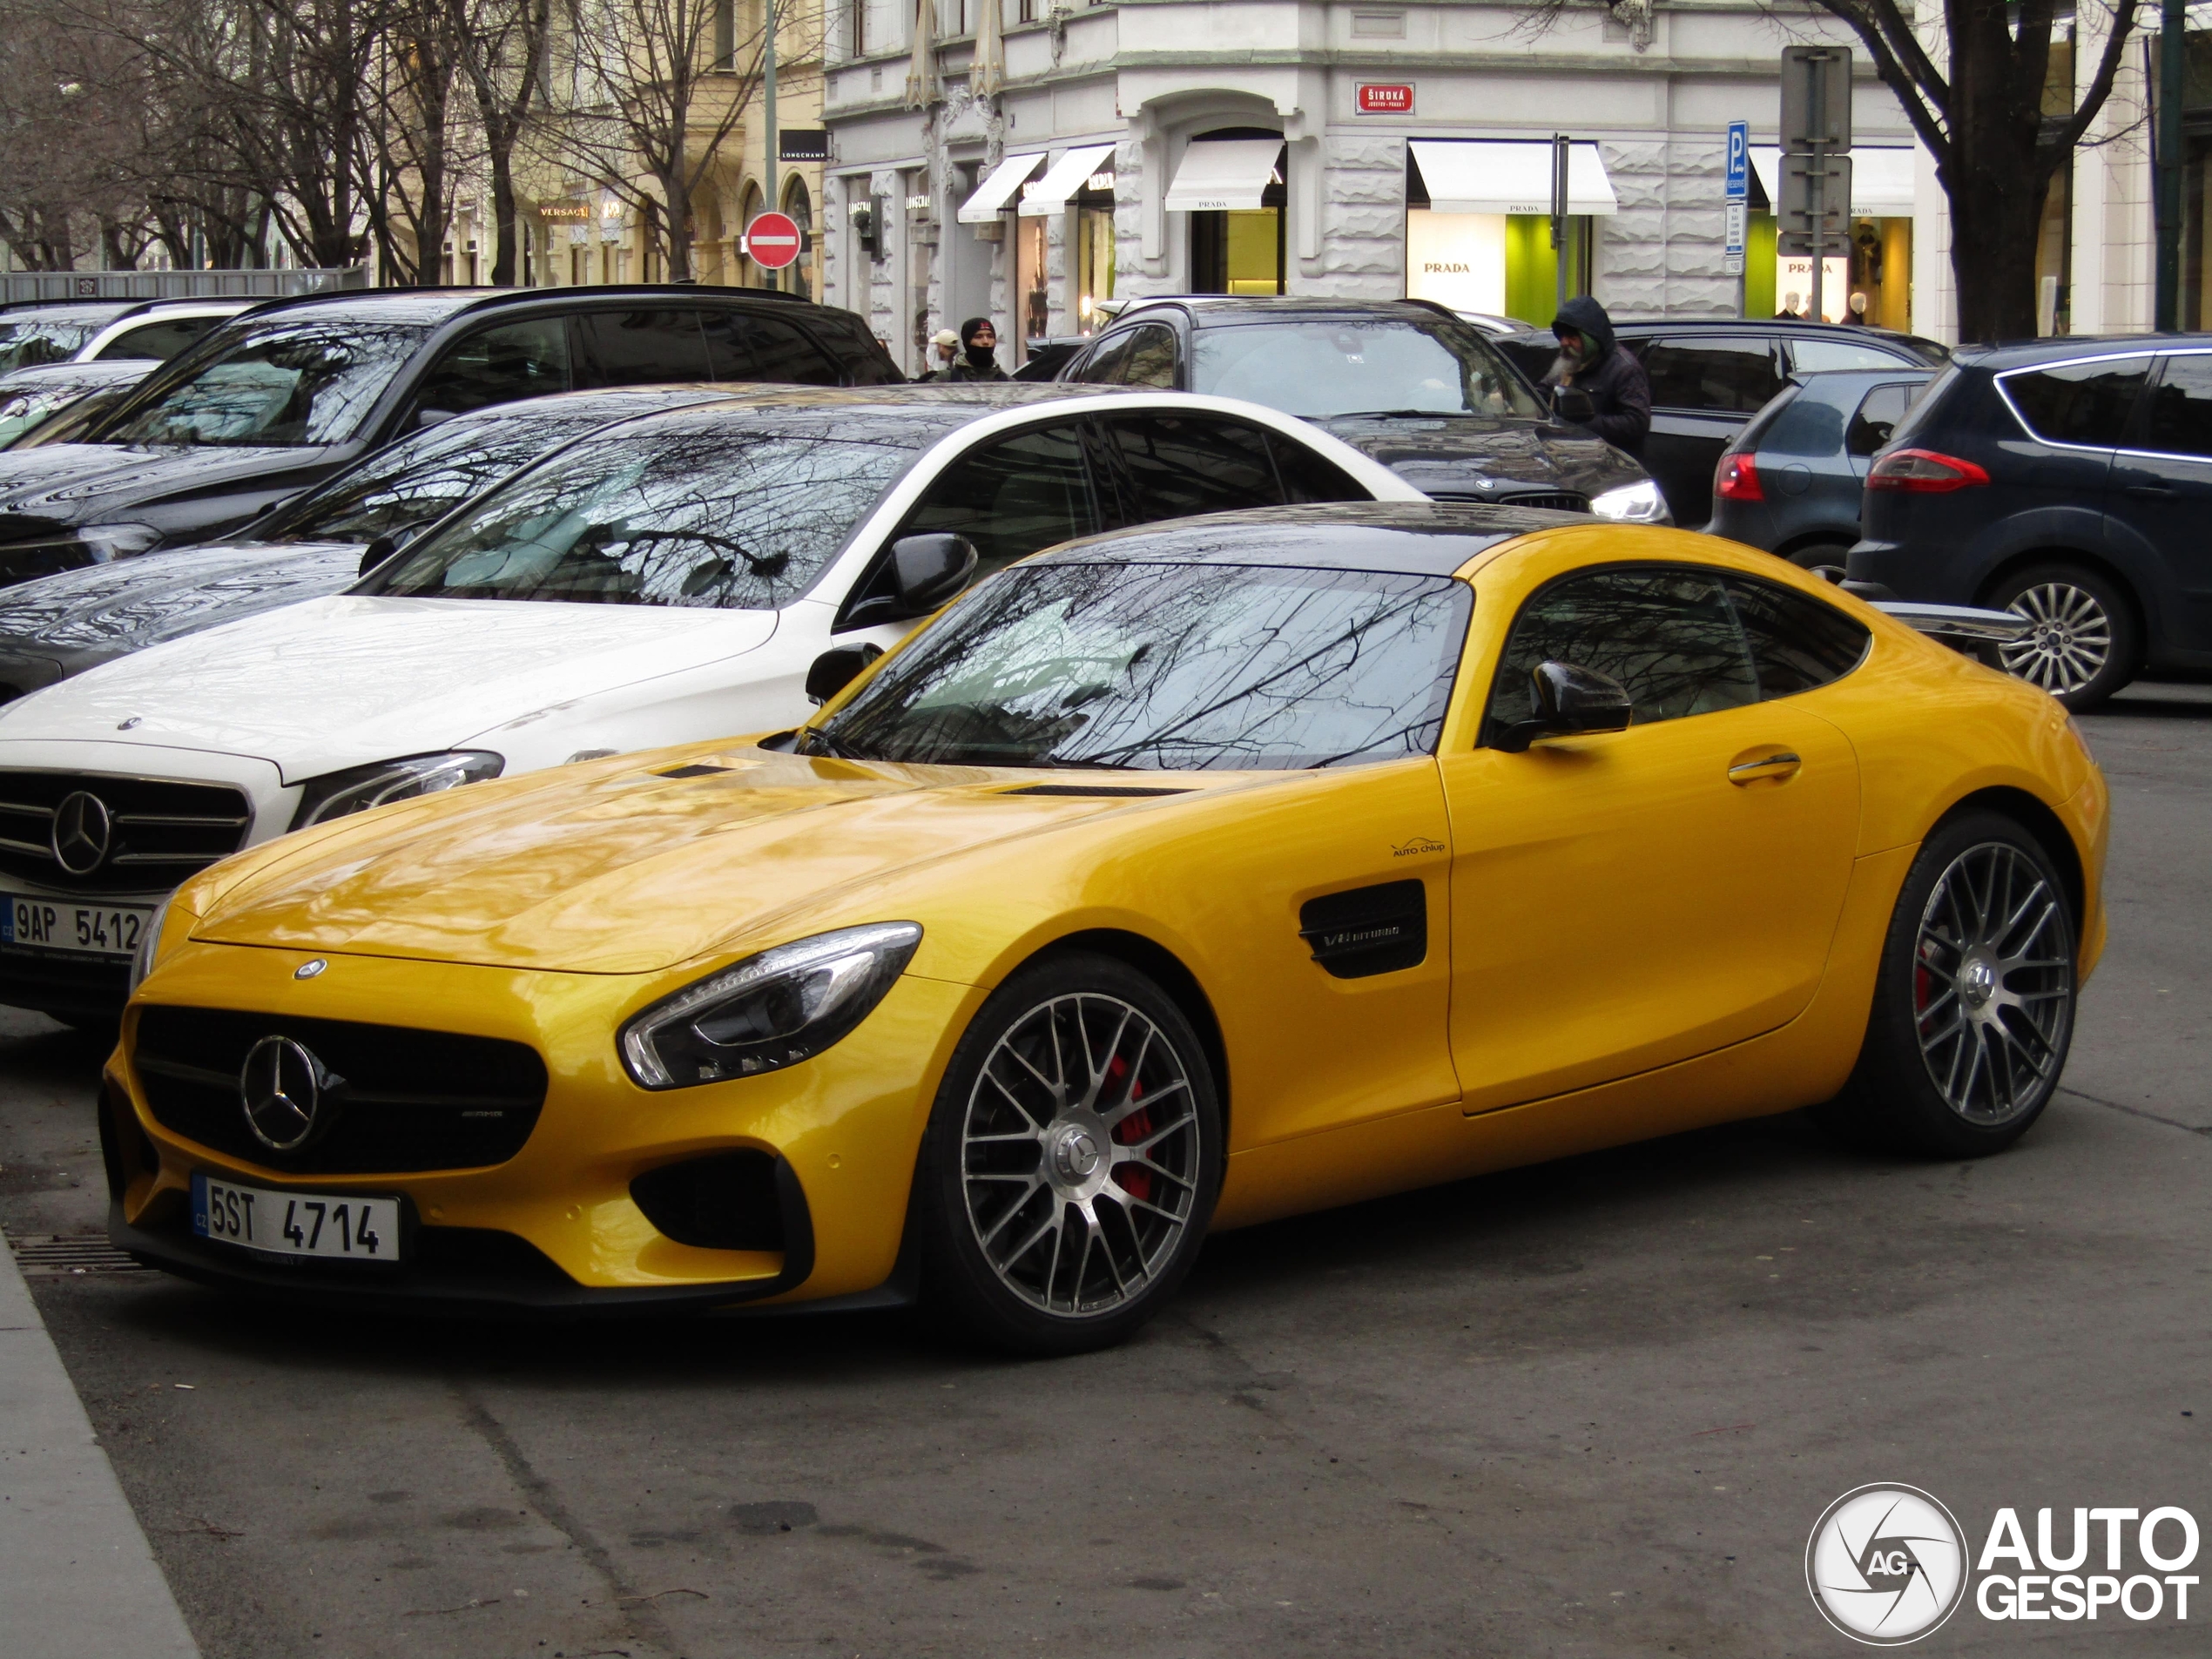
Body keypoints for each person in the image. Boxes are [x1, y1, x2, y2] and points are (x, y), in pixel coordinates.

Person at [1547, 295, 1650, 458]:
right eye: (1561, 336)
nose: (1564, 343)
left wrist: (1582, 423)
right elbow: (1541, 393)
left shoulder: (1624, 368)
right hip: (1568, 459)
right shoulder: (1569, 362)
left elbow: (1636, 423)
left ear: (1591, 339)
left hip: (1611, 465)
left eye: (1572, 337)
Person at [941, 317, 1008, 382]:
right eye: (978, 337)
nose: (986, 342)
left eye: (990, 336)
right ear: (967, 342)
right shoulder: (945, 379)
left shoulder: (1008, 381)